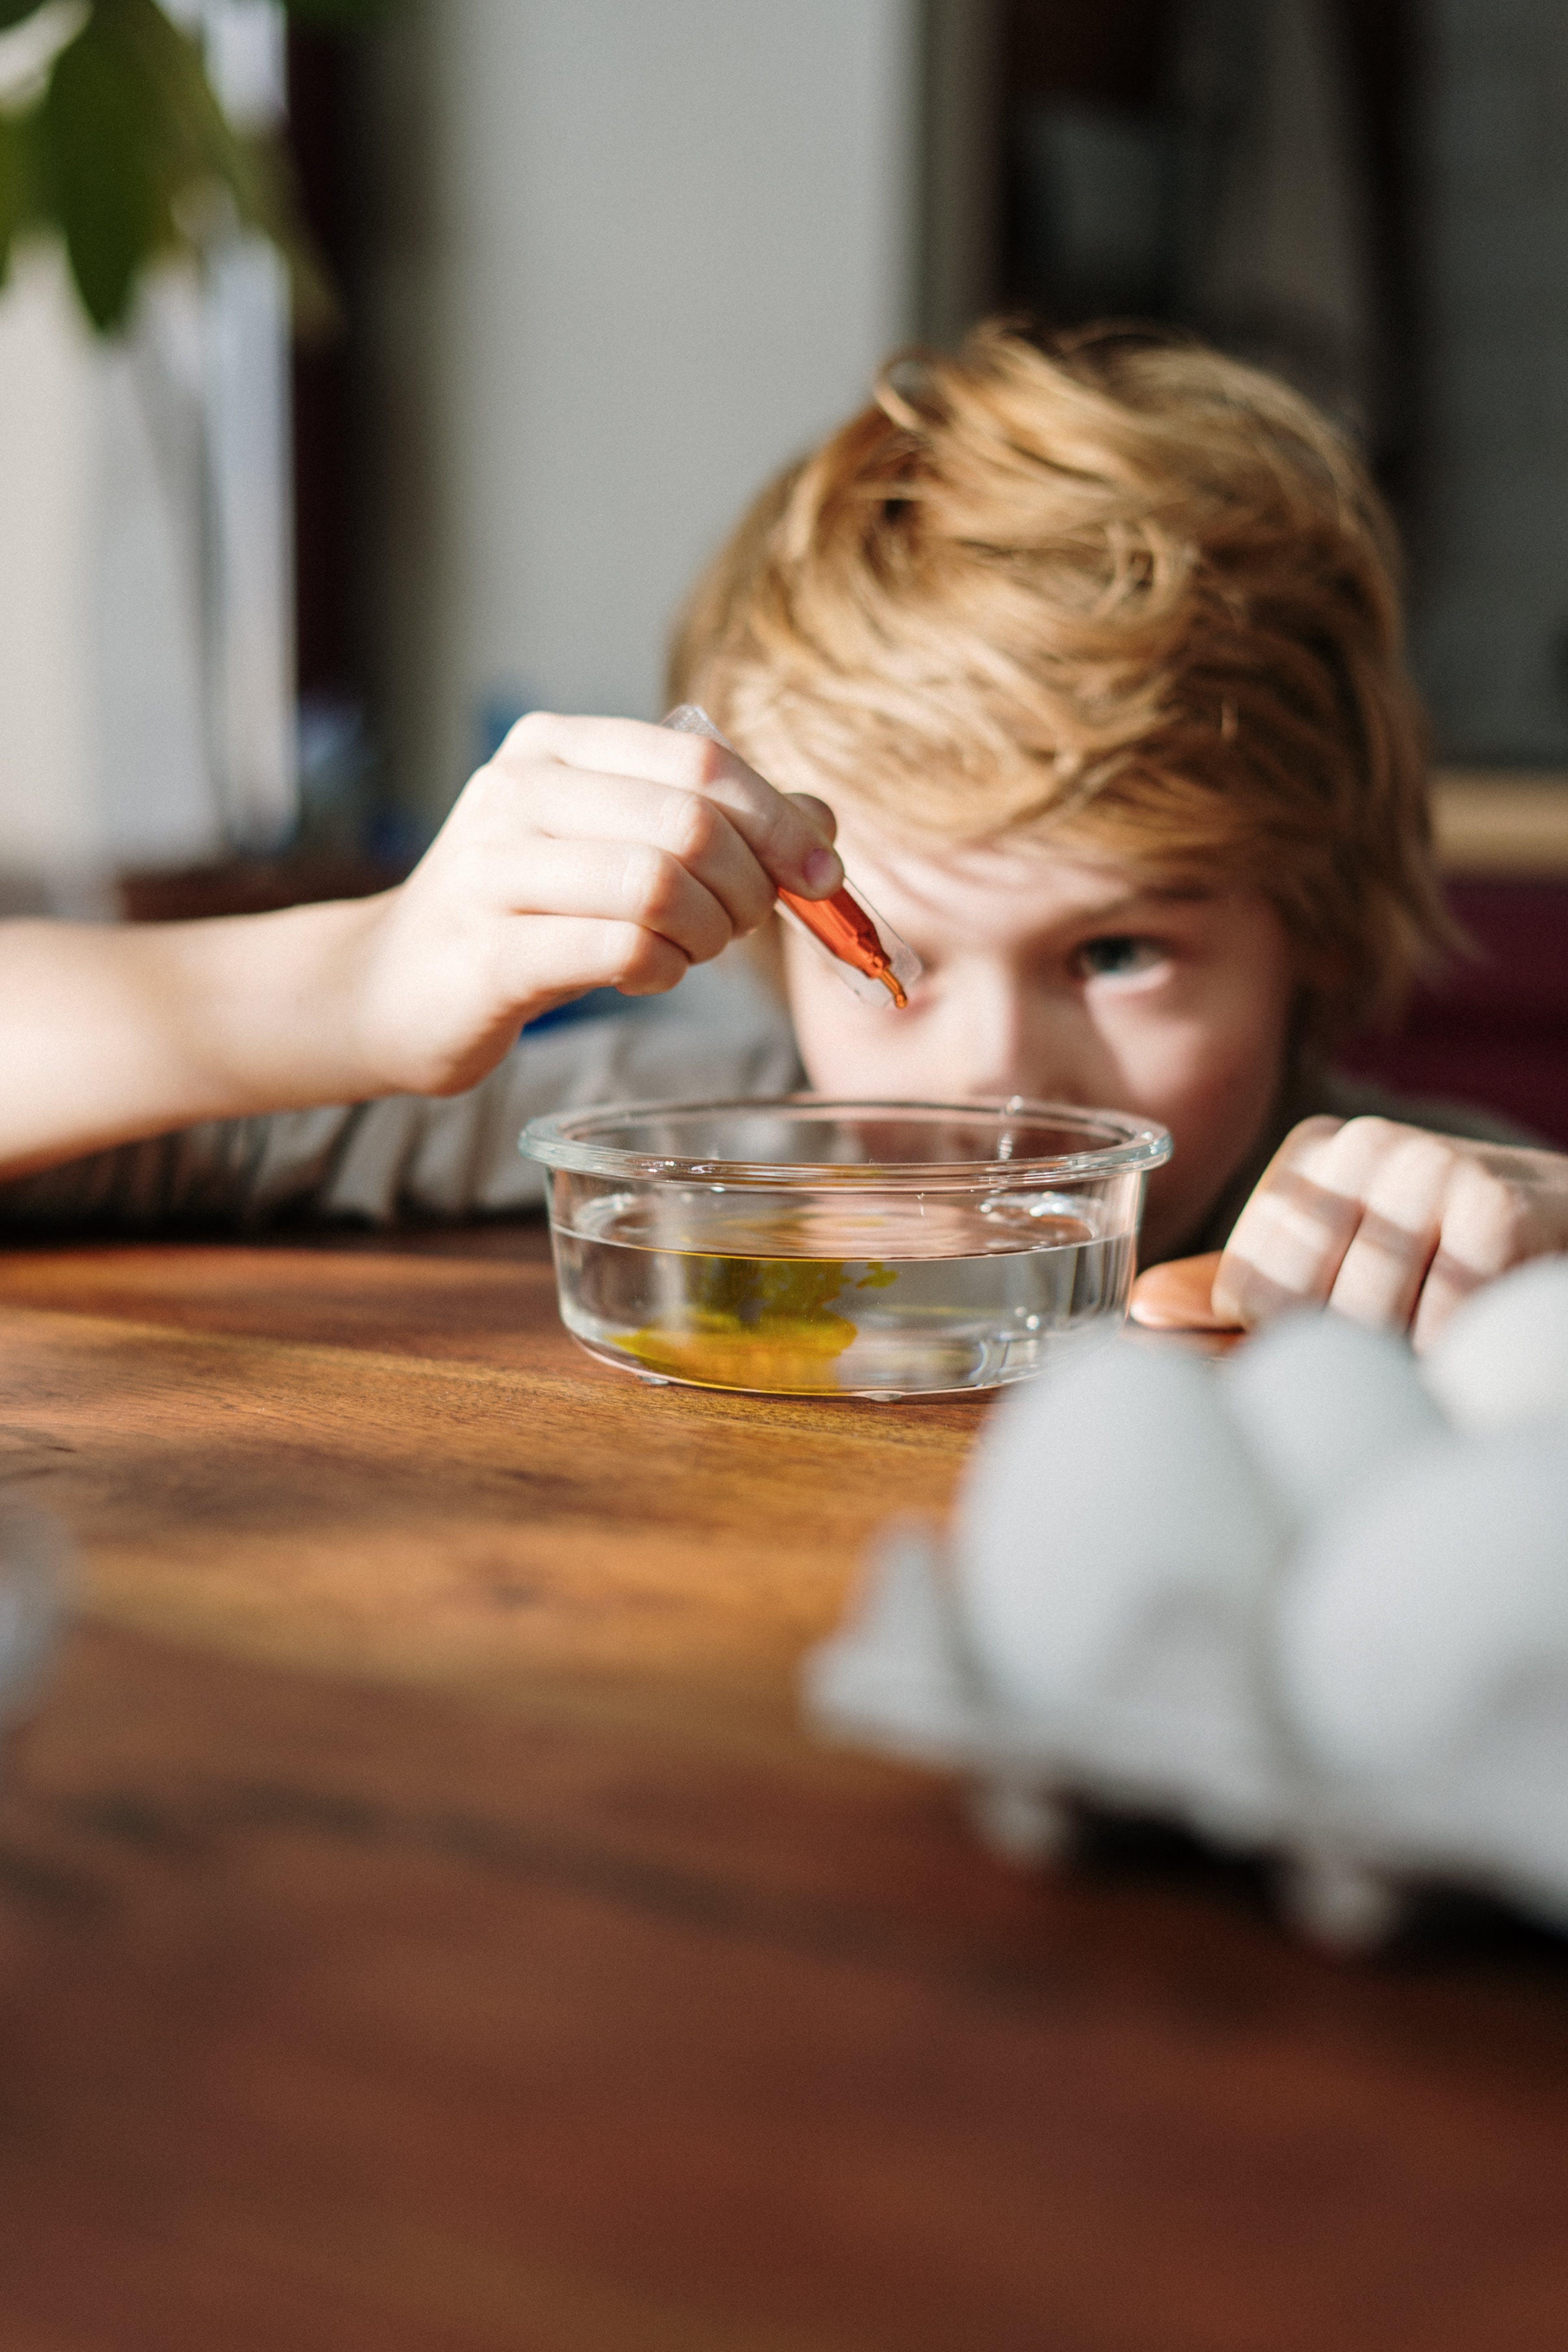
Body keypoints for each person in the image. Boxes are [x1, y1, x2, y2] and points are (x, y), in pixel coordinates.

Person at [3, 323, 1564, 1347]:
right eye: (889, 948)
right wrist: (355, 985)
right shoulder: (669, 1145)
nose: (992, 1079)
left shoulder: (1440, 1226)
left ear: (1316, 924)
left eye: (1118, 951)